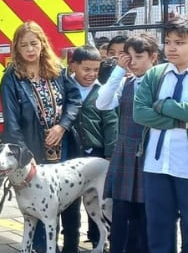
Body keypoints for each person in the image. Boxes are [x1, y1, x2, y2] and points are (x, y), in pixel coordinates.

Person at [0, 21, 82, 253]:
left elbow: (75, 101)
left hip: (64, 146)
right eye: (24, 45)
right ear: (17, 48)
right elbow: (12, 124)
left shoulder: (58, 70)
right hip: (34, 150)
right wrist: (26, 158)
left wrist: (62, 126)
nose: (30, 49)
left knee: (69, 202)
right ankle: (44, 248)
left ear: (42, 44)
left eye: (34, 43)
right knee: (40, 205)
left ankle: (71, 247)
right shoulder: (11, 79)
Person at [134, 17, 188, 253]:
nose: (171, 48)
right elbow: (139, 113)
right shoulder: (156, 74)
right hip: (157, 165)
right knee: (159, 231)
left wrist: (162, 105)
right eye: (168, 42)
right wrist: (183, 123)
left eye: (180, 42)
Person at [97, 33, 158, 253]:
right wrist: (118, 70)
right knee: (121, 212)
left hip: (149, 152)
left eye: (139, 56)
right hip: (124, 152)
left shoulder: (160, 82)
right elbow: (102, 102)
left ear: (153, 57)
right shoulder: (126, 82)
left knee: (145, 213)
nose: (133, 62)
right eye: (129, 56)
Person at [69, 45, 118, 250]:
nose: (91, 74)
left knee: (98, 199)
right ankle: (70, 242)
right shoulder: (65, 87)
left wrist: (109, 154)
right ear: (73, 66)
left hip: (96, 155)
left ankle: (99, 240)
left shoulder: (102, 92)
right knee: (70, 203)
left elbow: (111, 124)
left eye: (95, 70)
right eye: (86, 69)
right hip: (70, 154)